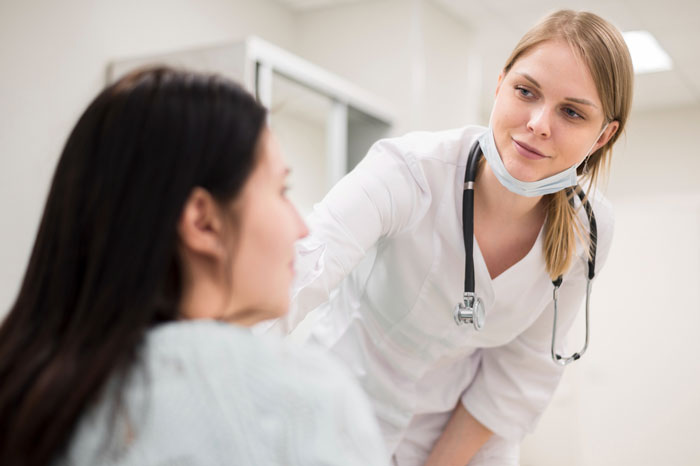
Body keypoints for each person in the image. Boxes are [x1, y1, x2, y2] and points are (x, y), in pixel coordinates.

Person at [261, 9, 634, 465]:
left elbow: (522, 370)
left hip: (465, 429)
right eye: (526, 91)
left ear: (603, 136)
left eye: (572, 112)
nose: (539, 122)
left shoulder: (589, 228)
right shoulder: (409, 171)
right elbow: (302, 269)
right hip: (344, 401)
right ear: (499, 85)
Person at [0, 67, 387, 466]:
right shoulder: (303, 400)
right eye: (280, 190)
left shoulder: (23, 393)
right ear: (202, 221)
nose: (301, 228)